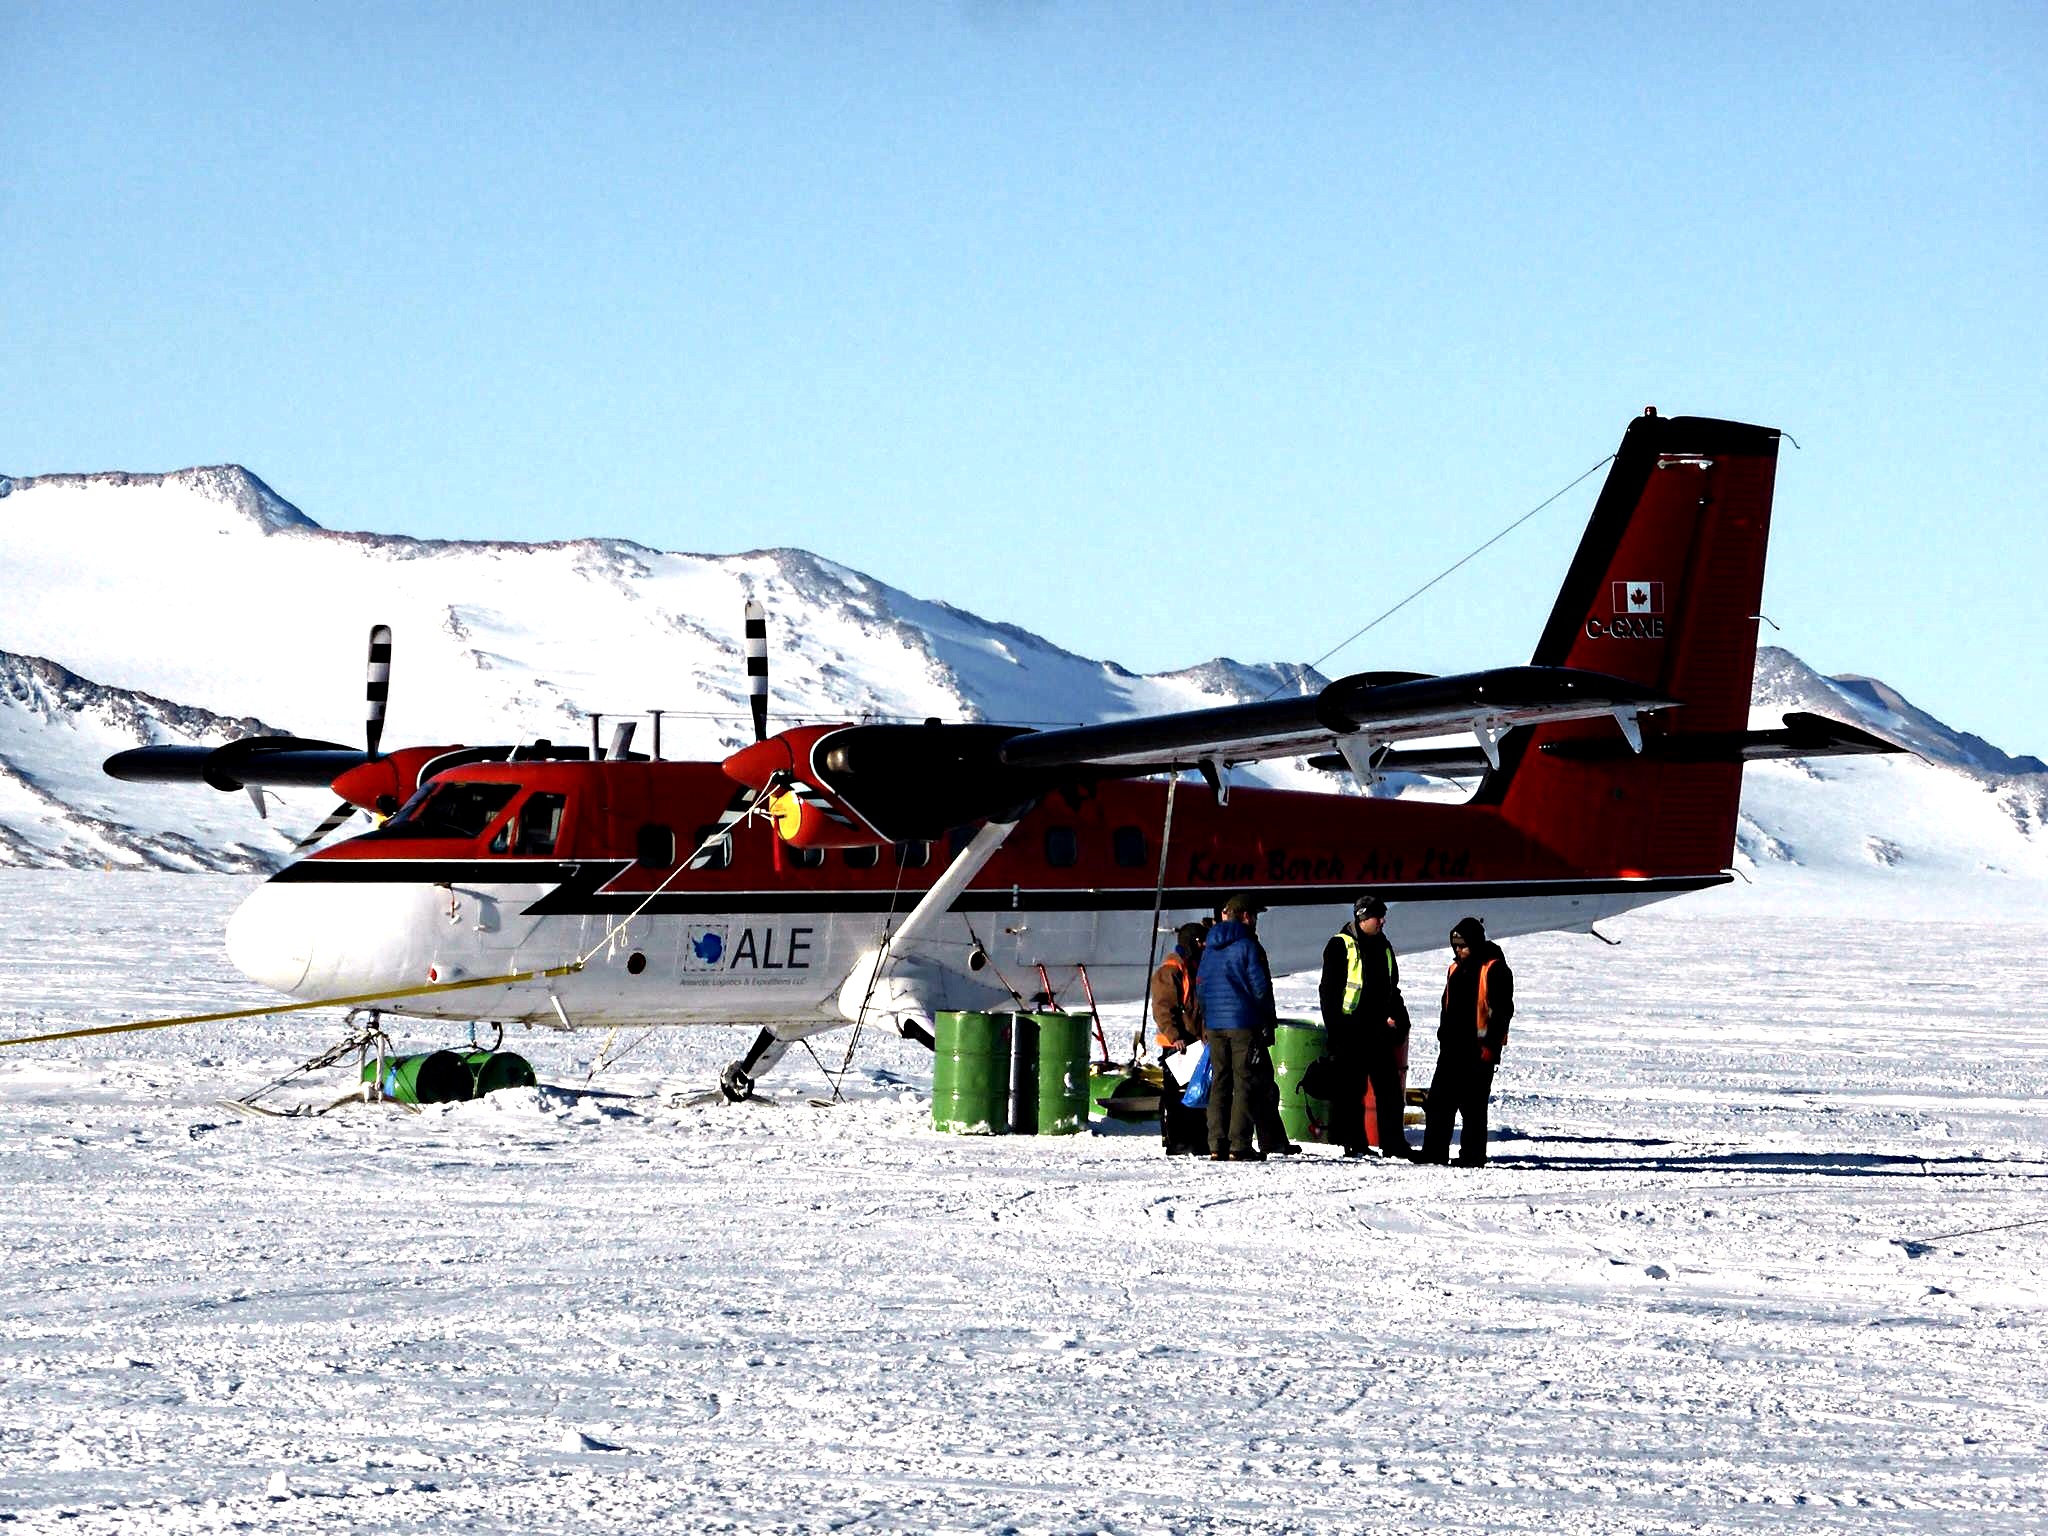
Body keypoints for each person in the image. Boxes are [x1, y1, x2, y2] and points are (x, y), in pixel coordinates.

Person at [1192, 895, 1293, 1161]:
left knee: (1220, 1082)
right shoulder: (1249, 946)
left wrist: (1208, 1017)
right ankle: (1239, 1144)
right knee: (1245, 1082)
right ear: (1246, 916)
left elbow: (1201, 985)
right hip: (1243, 1023)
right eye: (1255, 915)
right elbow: (1260, 988)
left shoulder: (1210, 948)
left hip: (1215, 1024)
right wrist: (1267, 1021)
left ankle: (1216, 1143)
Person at [1318, 895, 1413, 1158]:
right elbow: (1329, 992)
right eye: (1377, 916)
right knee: (1352, 1091)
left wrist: (1400, 1016)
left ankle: (1393, 1143)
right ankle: (1354, 1142)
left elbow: (1391, 987)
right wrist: (1336, 1031)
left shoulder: (1383, 945)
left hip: (1377, 1030)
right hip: (1350, 1030)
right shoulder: (1341, 946)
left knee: (1390, 1091)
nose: (1382, 921)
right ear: (1362, 918)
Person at [1420, 916, 1514, 1167]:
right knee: (1439, 1103)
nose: (1459, 951)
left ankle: (1472, 1157)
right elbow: (1447, 1006)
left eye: (1463, 946)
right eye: (1456, 947)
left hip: (1479, 1051)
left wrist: (1490, 1046)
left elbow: (1503, 1011)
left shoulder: (1494, 969)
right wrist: (1443, 1036)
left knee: (1472, 1107)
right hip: (1452, 1049)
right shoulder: (1454, 969)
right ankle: (1433, 1152)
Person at [1151, 923, 1209, 1156]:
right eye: (1201, 941)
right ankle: (1180, 1143)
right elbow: (1163, 1008)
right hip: (1178, 1045)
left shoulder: (1192, 967)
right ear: (1192, 942)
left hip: (1193, 1042)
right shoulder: (1172, 969)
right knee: (1179, 1098)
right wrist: (1175, 1036)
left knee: (1195, 1094)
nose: (1205, 945)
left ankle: (1195, 1141)